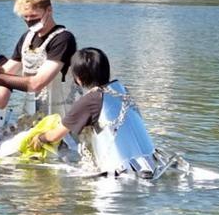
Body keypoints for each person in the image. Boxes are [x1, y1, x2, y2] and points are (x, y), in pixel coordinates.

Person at [27, 48, 159, 178]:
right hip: (152, 166)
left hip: (120, 176)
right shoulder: (121, 90)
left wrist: (39, 138)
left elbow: (55, 135)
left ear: (79, 78)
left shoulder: (89, 101)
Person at [0, 0, 77, 126]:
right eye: (26, 17)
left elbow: (37, 83)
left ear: (49, 10)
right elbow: (7, 70)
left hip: (61, 114)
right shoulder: (27, 37)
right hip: (35, 113)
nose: (29, 21)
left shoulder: (63, 39)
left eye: (34, 17)